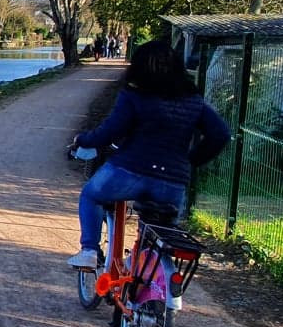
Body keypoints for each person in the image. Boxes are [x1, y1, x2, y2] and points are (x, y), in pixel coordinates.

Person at [67, 40, 231, 269]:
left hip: (130, 170)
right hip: (172, 181)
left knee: (91, 196)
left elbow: (110, 131)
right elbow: (221, 134)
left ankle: (89, 251)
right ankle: (142, 272)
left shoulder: (134, 95)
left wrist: (82, 140)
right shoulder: (193, 101)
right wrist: (189, 161)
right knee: (155, 233)